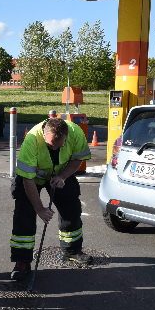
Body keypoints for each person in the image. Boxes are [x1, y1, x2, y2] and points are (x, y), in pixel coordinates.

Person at [10, 117, 92, 281]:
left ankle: (72, 251)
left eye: (59, 145)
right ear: (44, 135)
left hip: (61, 173)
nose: (54, 148)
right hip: (33, 178)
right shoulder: (32, 140)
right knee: (24, 214)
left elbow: (77, 159)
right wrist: (39, 208)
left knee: (71, 207)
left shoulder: (75, 132)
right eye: (50, 145)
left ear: (66, 136)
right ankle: (22, 262)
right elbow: (27, 180)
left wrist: (62, 176)